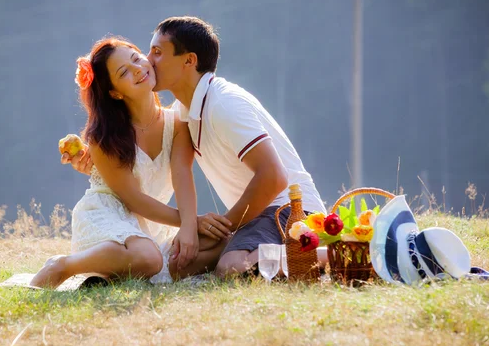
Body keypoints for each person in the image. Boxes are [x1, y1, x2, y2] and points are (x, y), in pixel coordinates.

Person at [68, 16, 328, 278]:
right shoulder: (186, 111)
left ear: (189, 61)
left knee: (232, 268)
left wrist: (226, 226)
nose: (148, 60)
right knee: (179, 265)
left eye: (157, 52)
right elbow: (137, 144)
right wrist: (93, 158)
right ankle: (270, 253)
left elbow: (274, 177)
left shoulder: (223, 104)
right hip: (256, 215)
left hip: (289, 211)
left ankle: (332, 254)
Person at [30, 36, 222, 288]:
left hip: (152, 224)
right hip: (107, 216)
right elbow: (134, 200)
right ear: (114, 92)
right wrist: (190, 221)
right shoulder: (104, 138)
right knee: (150, 258)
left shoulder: (177, 123)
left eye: (136, 58)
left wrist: (190, 227)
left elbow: (183, 175)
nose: (138, 69)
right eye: (124, 72)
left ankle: (115, 274)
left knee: (219, 238)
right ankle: (64, 265)